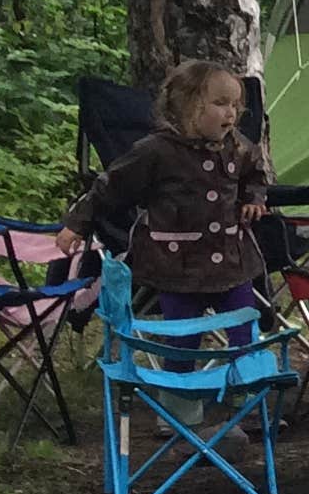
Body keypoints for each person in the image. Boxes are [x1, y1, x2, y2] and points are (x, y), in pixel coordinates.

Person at [53, 59, 273, 328]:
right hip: (176, 267)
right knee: (183, 337)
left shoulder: (236, 146)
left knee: (245, 332)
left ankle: (249, 356)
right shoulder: (156, 150)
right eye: (221, 103)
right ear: (188, 106)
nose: (231, 113)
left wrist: (254, 197)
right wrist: (78, 223)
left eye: (236, 105)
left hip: (231, 264)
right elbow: (111, 186)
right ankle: (177, 357)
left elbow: (255, 172)